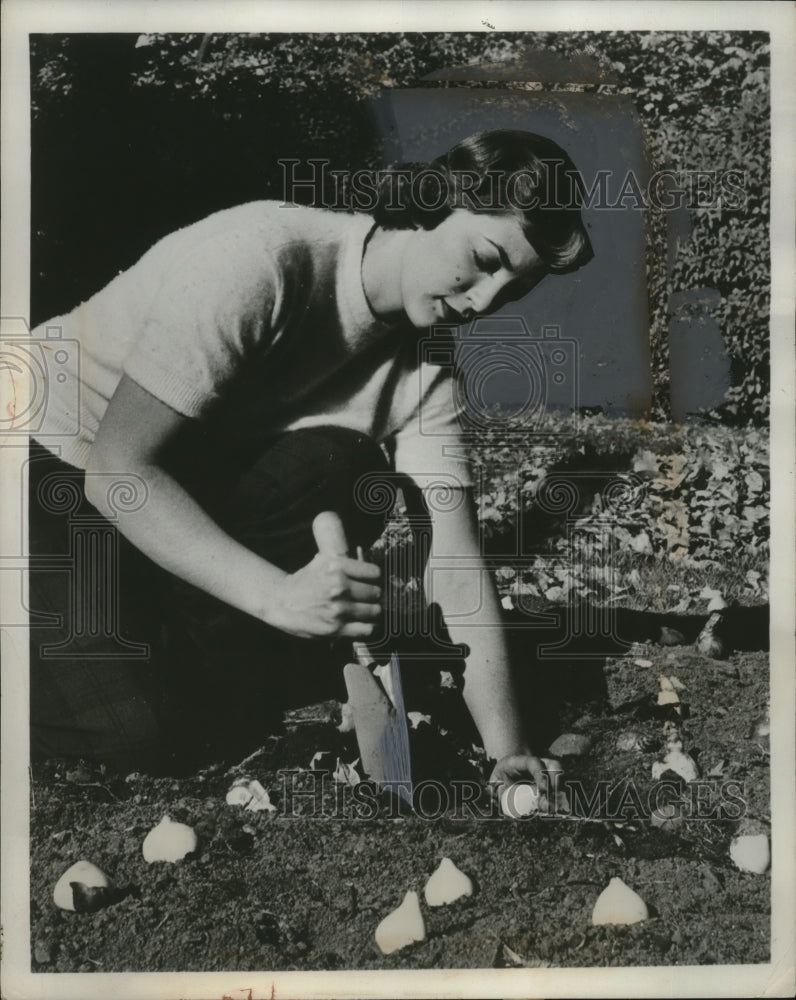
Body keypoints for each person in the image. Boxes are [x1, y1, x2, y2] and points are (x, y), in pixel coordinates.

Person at [28, 129, 593, 798]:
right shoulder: (261, 261)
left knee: (343, 462)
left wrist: (508, 748)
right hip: (45, 460)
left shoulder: (426, 368)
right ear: (436, 202)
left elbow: (454, 560)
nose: (485, 301)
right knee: (136, 734)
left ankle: (148, 636)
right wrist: (279, 597)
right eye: (483, 258)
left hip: (166, 492)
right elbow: (118, 467)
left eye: (515, 287)